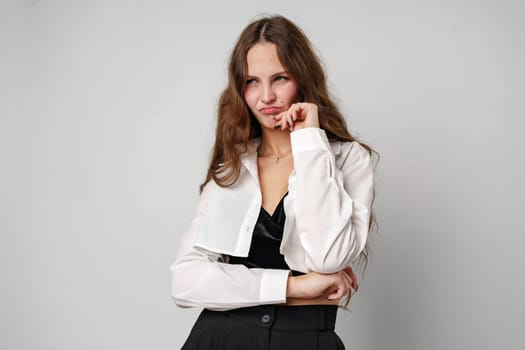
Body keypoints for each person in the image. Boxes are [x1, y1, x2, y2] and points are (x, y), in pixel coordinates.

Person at [170, 14, 376, 350]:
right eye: (252, 81)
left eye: (279, 78)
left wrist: (310, 139)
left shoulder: (347, 160)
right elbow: (185, 281)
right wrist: (297, 287)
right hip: (219, 338)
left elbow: (328, 257)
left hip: (305, 340)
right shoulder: (233, 166)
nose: (266, 97)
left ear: (302, 79)